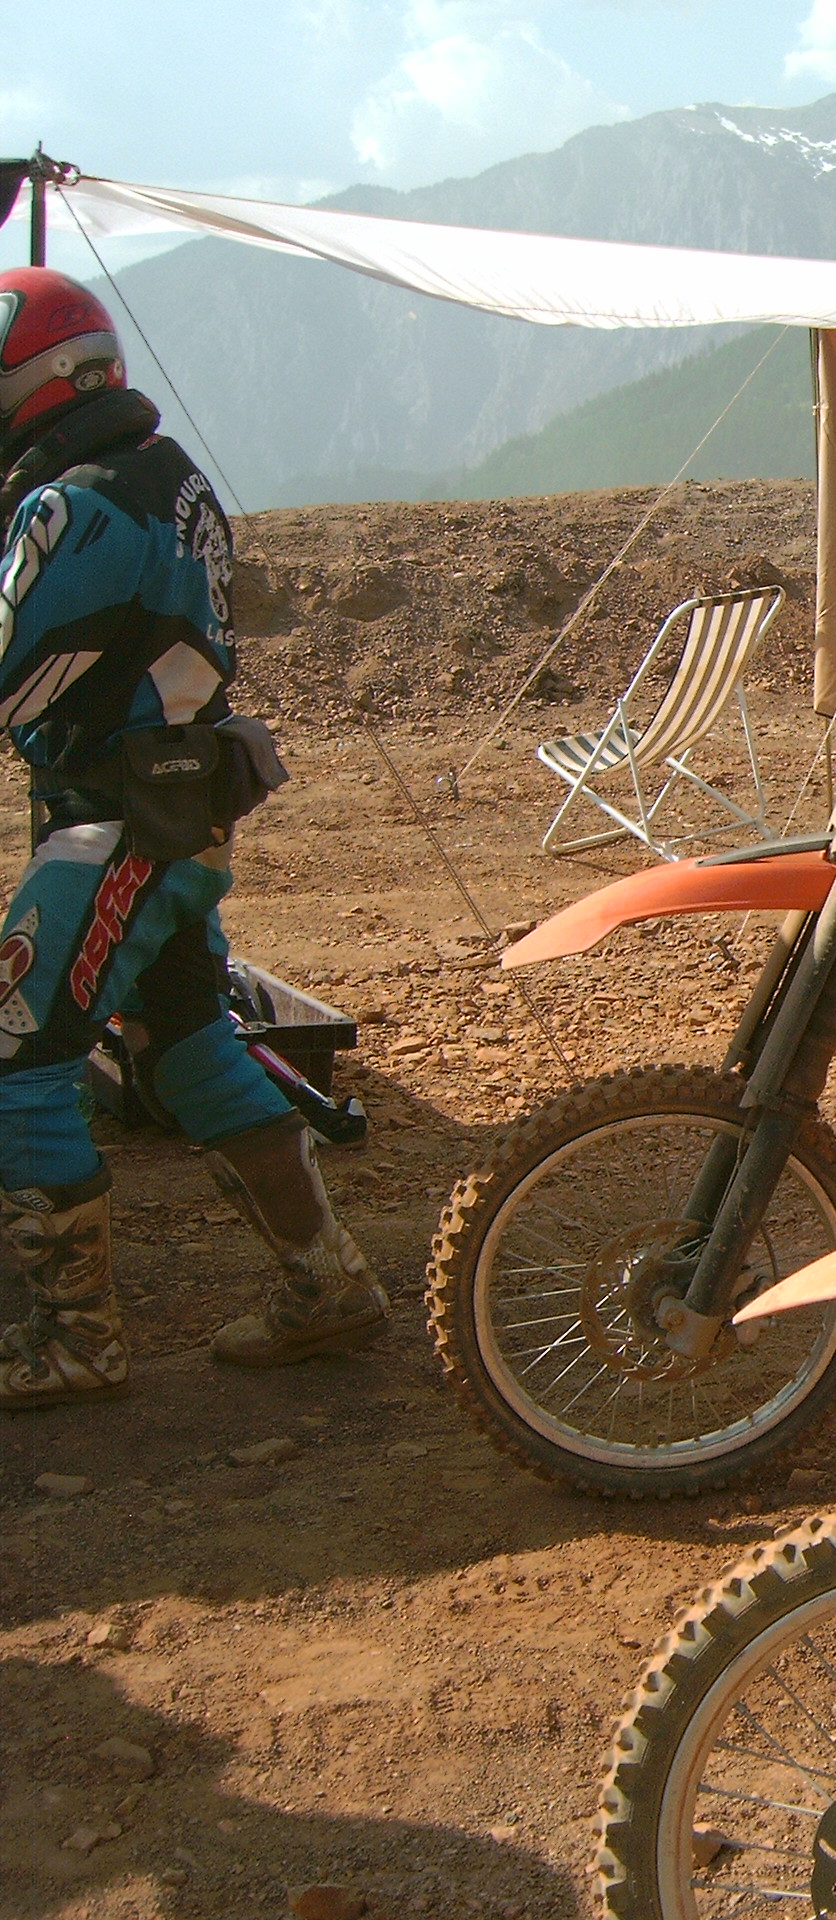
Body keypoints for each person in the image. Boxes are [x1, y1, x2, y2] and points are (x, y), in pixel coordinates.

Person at [0, 266, 384, 1409]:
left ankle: (76, 1342)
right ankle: (326, 1283)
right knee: (184, 1046)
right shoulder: (169, 478)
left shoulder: (70, 506)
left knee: (17, 1063)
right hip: (177, 810)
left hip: (108, 823)